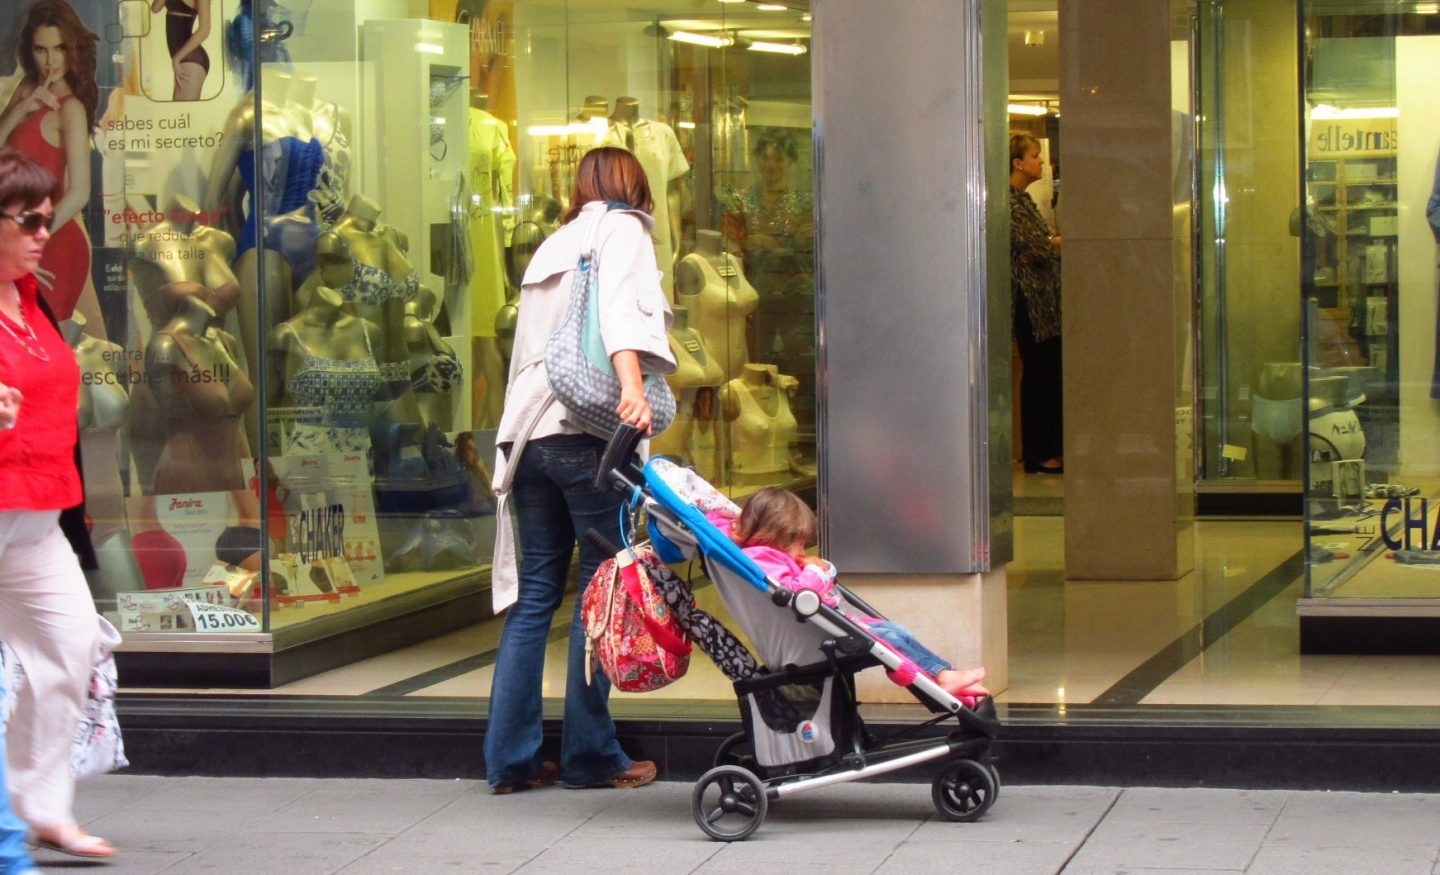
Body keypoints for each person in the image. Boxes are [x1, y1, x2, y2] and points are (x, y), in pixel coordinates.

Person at [485, 146, 676, 794]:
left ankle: (510, 759)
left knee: (534, 595)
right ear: (633, 186)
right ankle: (591, 754)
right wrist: (633, 389)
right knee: (602, 589)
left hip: (528, 437)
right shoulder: (621, 230)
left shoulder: (555, 242)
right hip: (583, 433)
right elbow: (620, 314)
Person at [0, 148, 113, 859]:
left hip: (38, 515)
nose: (46, 230)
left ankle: (40, 806)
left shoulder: (32, 297)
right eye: (30, 219)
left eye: (48, 216)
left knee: (71, 644)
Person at [719, 487, 989, 701]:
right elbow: (795, 595)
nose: (801, 551)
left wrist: (823, 571)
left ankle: (942, 675)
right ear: (771, 535)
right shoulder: (762, 558)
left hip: (826, 628)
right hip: (814, 638)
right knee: (889, 636)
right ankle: (939, 677)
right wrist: (816, 572)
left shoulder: (771, 556)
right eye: (796, 542)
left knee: (896, 632)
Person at [0, 0, 104, 337]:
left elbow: (79, 193)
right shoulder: (29, 89)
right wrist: (19, 111)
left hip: (54, 243)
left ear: (72, 48)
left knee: (45, 354)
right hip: (19, 241)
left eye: (59, 48)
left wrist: (32, 238)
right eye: (41, 49)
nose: (50, 60)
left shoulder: (71, 109)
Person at [1009, 133, 1063, 475]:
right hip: (1029, 304)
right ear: (1018, 162)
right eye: (1035, 156)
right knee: (1040, 374)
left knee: (1051, 373)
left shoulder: (1025, 200)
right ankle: (1037, 452)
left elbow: (1040, 245)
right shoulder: (1009, 203)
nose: (1042, 162)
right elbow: (1039, 247)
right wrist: (1049, 245)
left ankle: (1049, 447)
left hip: (1044, 301)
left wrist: (1045, 245)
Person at [151, 0, 211, 101]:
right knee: (179, 112)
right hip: (183, 58)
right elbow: (155, 9)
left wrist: (177, 59)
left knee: (185, 112)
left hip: (190, 59)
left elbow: (204, 30)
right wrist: (177, 59)